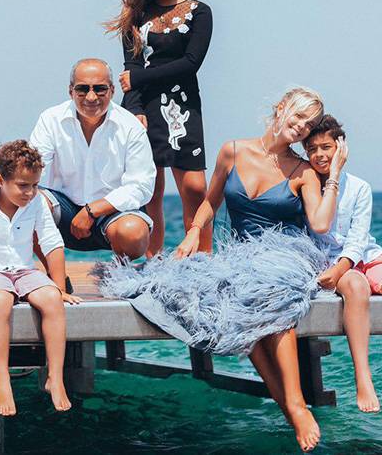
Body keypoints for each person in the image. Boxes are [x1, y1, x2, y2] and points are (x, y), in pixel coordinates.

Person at [102, 87, 347, 452]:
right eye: (297, 116)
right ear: (281, 109)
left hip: (288, 255)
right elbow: (209, 203)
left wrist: (334, 173)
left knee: (270, 292)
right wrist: (192, 234)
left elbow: (322, 224)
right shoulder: (233, 150)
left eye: (309, 124)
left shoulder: (304, 171)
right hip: (243, 255)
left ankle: (296, 403)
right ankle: (290, 409)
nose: (301, 127)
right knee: (235, 305)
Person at [303, 115, 382, 414]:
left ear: (341, 147)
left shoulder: (360, 187)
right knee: (357, 287)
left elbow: (359, 239)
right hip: (328, 261)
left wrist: (344, 266)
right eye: (312, 149)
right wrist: (337, 270)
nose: (319, 154)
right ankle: (363, 378)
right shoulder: (304, 185)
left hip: (364, 256)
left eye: (326, 147)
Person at [105, 0, 213, 257]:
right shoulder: (136, 16)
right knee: (150, 191)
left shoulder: (199, 12)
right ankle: (152, 263)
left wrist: (138, 78)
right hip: (143, 109)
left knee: (195, 187)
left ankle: (204, 260)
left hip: (183, 106)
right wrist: (135, 108)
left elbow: (190, 64)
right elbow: (131, 66)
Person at [0, 140, 81, 416]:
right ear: (0, 180)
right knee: (0, 301)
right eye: (23, 186)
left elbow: (51, 243)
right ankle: (3, 380)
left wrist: (59, 287)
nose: (30, 192)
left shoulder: (36, 202)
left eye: (35, 185)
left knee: (52, 299)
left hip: (24, 271)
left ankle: (55, 377)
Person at [29, 58, 156, 259]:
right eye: (82, 89)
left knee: (133, 231)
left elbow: (141, 186)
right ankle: (54, 274)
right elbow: (31, 170)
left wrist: (92, 210)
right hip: (63, 213)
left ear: (112, 90)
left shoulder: (131, 127)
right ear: (70, 91)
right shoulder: (50, 119)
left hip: (112, 214)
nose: (91, 96)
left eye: (100, 89)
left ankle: (119, 274)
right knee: (26, 201)